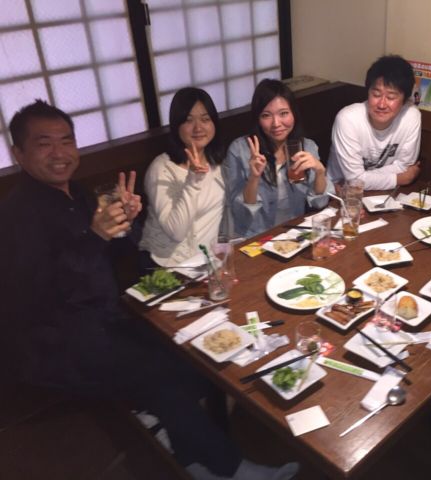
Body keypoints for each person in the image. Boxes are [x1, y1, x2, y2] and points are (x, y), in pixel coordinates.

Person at [0, 100, 297, 480]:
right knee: (161, 373)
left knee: (192, 356)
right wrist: (96, 237)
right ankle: (230, 468)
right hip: (57, 341)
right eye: (44, 144)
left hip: (108, 317)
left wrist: (127, 222)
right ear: (19, 153)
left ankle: (191, 452)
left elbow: (114, 251)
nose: (59, 153)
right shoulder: (16, 216)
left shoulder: (78, 194)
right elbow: (35, 298)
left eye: (66, 141)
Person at [224, 79, 331, 238]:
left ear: (293, 113)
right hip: (256, 236)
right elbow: (241, 215)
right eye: (266, 115)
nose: (276, 123)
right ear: (258, 119)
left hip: (295, 233)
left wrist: (320, 172)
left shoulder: (307, 147)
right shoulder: (240, 150)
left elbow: (319, 203)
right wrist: (254, 178)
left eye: (283, 113)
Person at [139, 87, 226, 268]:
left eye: (205, 119)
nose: (198, 128)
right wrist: (193, 180)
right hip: (169, 266)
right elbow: (176, 232)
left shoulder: (218, 162)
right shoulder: (162, 169)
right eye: (188, 120)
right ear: (176, 125)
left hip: (209, 262)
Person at [327, 54, 422, 190]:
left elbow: (404, 167)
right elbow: (355, 180)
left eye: (391, 97)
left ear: (405, 99)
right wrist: (401, 178)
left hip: (380, 193)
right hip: (339, 195)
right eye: (376, 94)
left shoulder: (411, 116)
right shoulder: (348, 119)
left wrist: (362, 178)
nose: (382, 104)